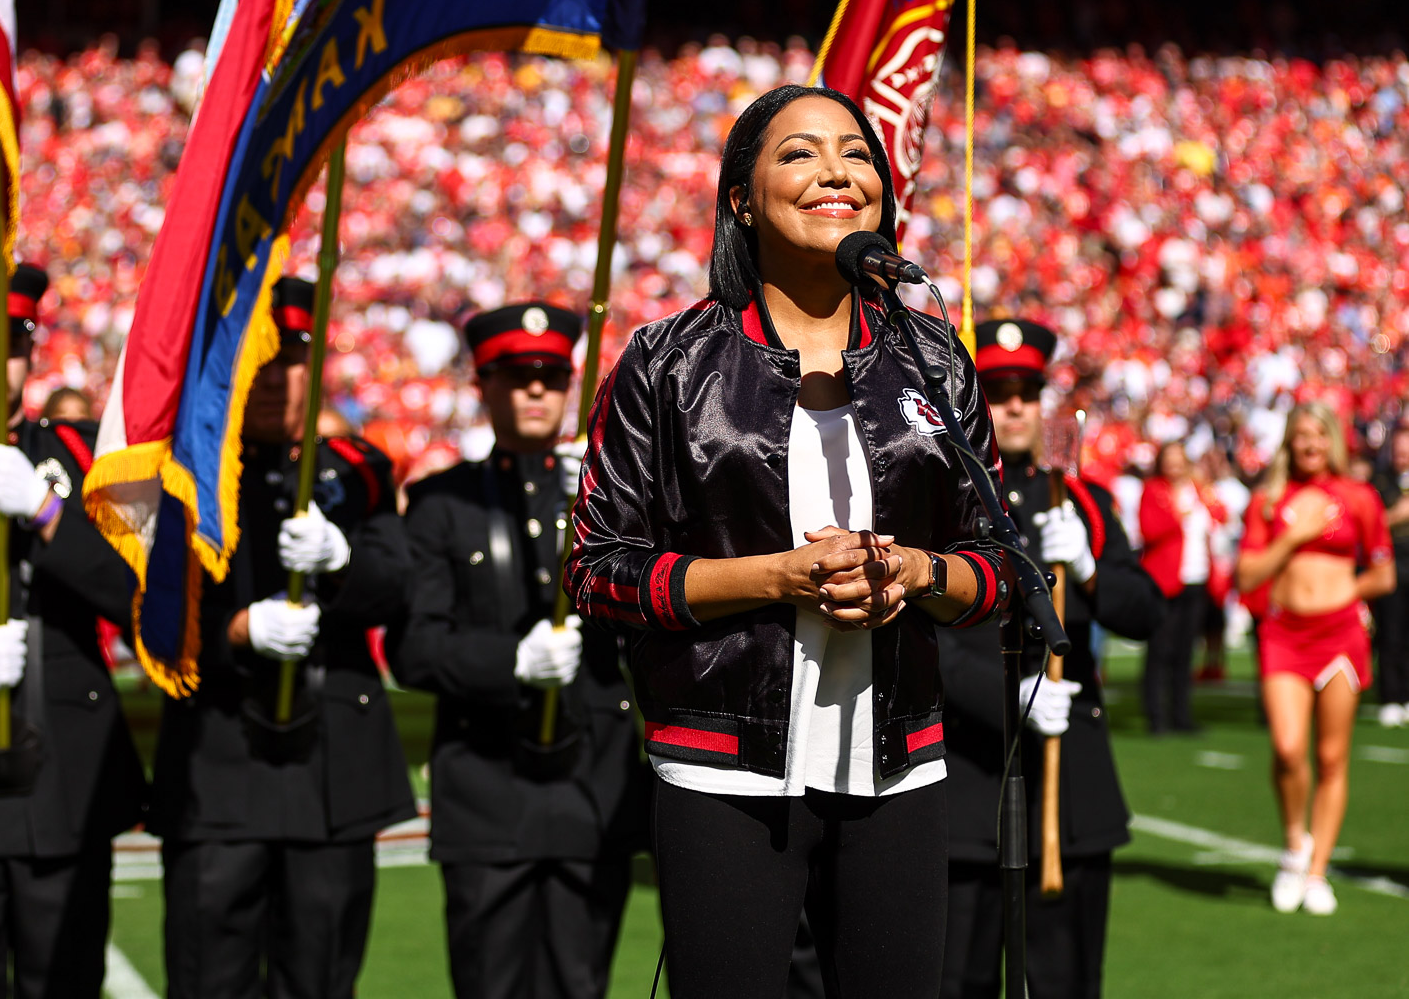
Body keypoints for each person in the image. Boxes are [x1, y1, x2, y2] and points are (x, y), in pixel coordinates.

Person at [565, 85, 1008, 998]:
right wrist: (777, 577)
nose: (838, 172)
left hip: (903, 766)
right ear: (740, 197)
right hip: (720, 766)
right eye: (799, 153)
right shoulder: (666, 360)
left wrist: (916, 572)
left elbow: (1000, 566)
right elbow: (597, 569)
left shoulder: (935, 356)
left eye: (857, 153)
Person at [149, 277, 416, 998]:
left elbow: (400, 591)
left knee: (321, 982)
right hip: (219, 769)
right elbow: (150, 607)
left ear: (315, 364)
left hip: (330, 771)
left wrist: (340, 564)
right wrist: (232, 630)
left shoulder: (357, 472)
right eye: (258, 357)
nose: (273, 376)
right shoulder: (186, 479)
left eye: (292, 356)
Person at [390, 302, 649, 999]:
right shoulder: (444, 502)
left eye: (551, 375)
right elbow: (413, 649)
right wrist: (508, 662)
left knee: (580, 984)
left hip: (590, 786)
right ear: (483, 386)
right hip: (487, 790)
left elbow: (658, 620)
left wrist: (610, 514)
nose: (536, 390)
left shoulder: (620, 496)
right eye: (515, 375)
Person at [0, 263, 146, 997]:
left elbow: (142, 594)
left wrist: (49, 516)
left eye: (10, 343)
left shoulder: (89, 462)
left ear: (33, 352)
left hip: (66, 789)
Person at [937, 319, 1163, 999]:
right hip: (970, 786)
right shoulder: (943, 500)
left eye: (1026, 393)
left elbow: (1146, 612)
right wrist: (1014, 697)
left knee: (1067, 984)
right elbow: (927, 642)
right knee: (957, 983)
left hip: (1069, 796)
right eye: (998, 390)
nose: (1012, 406)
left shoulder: (1082, 501)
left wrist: (1092, 570)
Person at [1238, 402, 1395, 915]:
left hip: (1341, 636)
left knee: (1331, 758)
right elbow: (1247, 576)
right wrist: (1295, 534)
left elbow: (1383, 573)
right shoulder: (1269, 499)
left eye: (1318, 435)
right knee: (1287, 749)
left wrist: (1347, 594)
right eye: (1300, 435)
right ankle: (1293, 846)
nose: (1309, 444)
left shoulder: (1361, 497)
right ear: (1288, 441)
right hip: (1285, 635)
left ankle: (1316, 871)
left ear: (1333, 439)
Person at [1138, 440, 1225, 733]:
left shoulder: (1197, 488)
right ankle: (1156, 715)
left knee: (1186, 650)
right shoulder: (1154, 490)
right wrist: (1178, 516)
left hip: (1196, 577)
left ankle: (1181, 714)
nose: (1174, 465)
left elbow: (1220, 516)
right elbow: (1149, 529)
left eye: (1179, 458)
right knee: (1160, 649)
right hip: (1165, 581)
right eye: (1169, 458)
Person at [1369, 423, 1409, 727]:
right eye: (1398, 451)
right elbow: (1373, 522)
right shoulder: (1380, 480)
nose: (1402, 456)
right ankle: (1391, 696)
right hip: (1392, 565)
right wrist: (1399, 513)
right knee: (1391, 633)